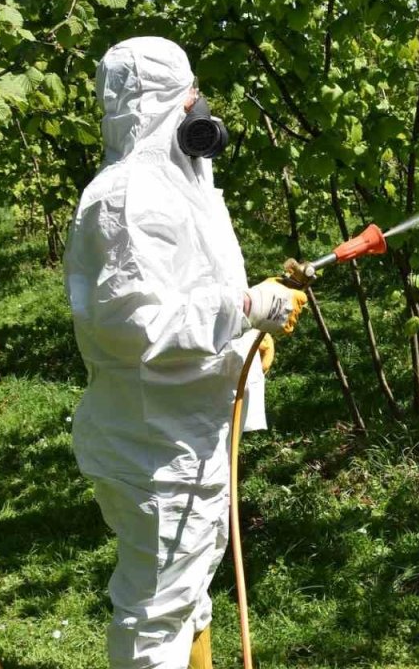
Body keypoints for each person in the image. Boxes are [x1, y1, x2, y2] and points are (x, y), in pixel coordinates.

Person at [64, 36, 307, 669]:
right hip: (156, 448)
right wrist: (250, 309)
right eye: (190, 94)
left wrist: (244, 350)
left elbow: (193, 295)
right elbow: (142, 326)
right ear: (165, 101)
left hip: (187, 435)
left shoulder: (180, 182)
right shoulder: (127, 198)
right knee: (156, 612)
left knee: (188, 590)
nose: (201, 107)